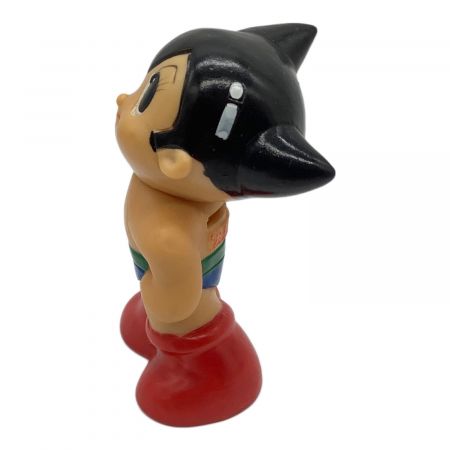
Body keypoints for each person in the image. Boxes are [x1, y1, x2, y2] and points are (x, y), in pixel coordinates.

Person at [115, 24, 335, 427]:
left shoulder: (168, 236)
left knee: (172, 320)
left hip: (184, 312)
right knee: (155, 296)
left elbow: (175, 304)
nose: (122, 100)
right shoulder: (167, 184)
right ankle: (150, 320)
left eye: (146, 98)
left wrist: (158, 296)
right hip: (172, 271)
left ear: (175, 162)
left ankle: (206, 370)